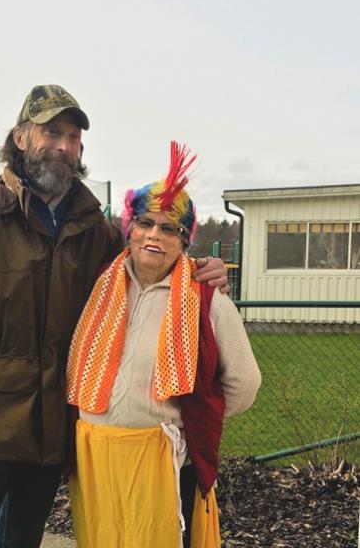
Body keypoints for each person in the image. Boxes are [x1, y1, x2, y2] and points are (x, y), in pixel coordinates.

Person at [0, 85, 229, 548]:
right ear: (20, 137)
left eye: (74, 137)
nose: (64, 145)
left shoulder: (94, 232)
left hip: (50, 438)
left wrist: (203, 269)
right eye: (51, 131)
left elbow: (152, 258)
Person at [66, 141, 262, 548]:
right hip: (95, 458)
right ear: (130, 228)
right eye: (145, 223)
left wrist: (196, 420)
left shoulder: (206, 296)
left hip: (162, 461)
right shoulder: (100, 282)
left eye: (169, 227)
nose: (154, 234)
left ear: (183, 239)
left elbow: (244, 382)